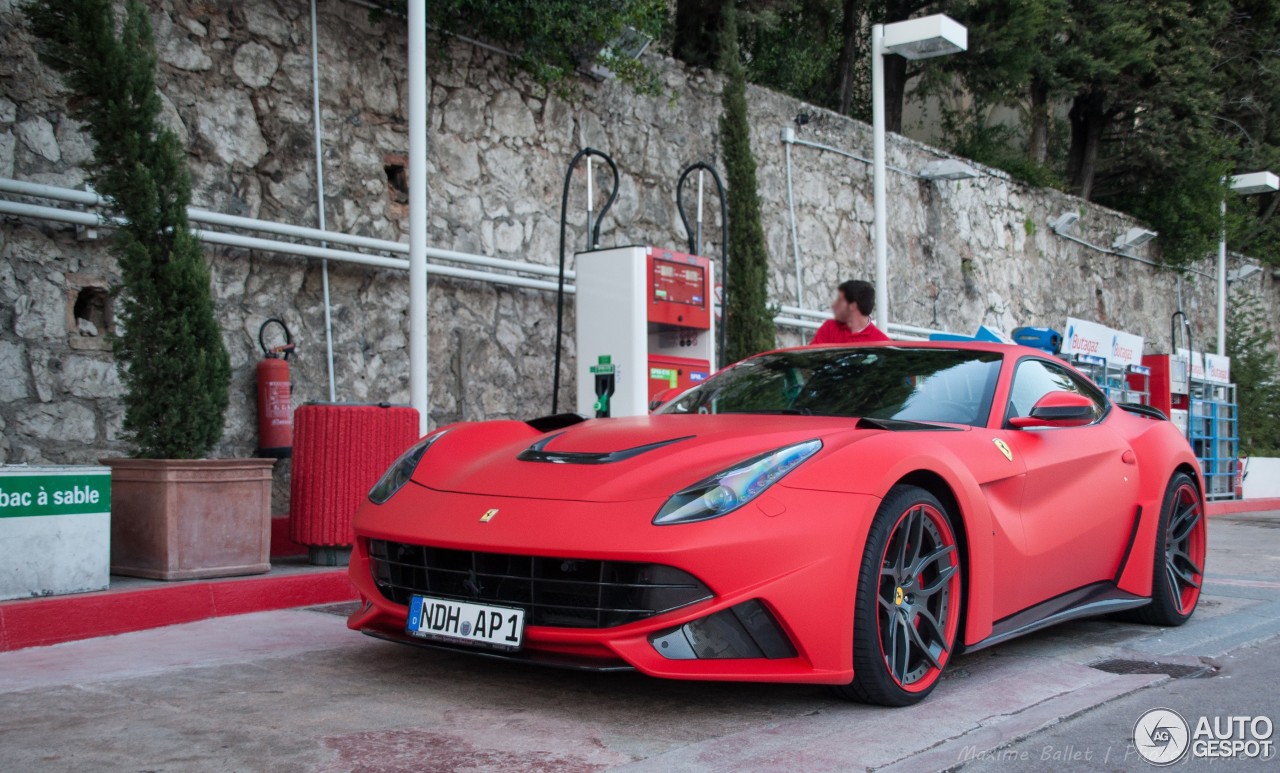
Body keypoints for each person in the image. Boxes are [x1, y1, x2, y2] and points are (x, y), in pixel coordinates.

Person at [810, 280, 892, 345]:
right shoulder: (829, 328)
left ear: (853, 306)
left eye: (840, 300)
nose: (834, 305)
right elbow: (811, 360)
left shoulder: (882, 345)